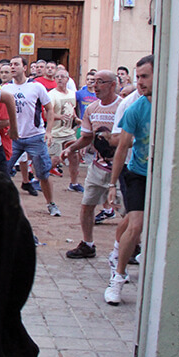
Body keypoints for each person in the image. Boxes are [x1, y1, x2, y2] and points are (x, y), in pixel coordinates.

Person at [104, 55, 154, 305]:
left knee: (132, 221)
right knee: (136, 224)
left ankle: (116, 251)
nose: (139, 82)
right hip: (136, 173)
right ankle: (118, 277)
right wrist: (112, 184)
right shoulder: (135, 108)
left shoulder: (173, 106)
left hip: (162, 175)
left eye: (145, 76)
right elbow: (122, 148)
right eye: (138, 77)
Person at [61, 70, 121, 259]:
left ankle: (133, 245)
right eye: (94, 82)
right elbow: (87, 137)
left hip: (122, 168)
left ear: (113, 84)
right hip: (98, 167)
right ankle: (88, 244)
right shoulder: (92, 109)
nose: (95, 86)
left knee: (128, 211)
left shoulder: (124, 107)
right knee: (87, 205)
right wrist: (71, 149)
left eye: (100, 82)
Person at [3, 56, 61, 216]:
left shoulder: (36, 87)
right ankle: (4, 206)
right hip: (13, 137)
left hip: (35, 136)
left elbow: (49, 109)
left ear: (25, 68)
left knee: (43, 173)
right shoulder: (5, 88)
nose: (13, 67)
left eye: (16, 64)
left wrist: (48, 131)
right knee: (3, 171)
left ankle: (51, 204)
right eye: (11, 64)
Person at [48, 69, 82, 192]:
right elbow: (48, 113)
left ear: (68, 79)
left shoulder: (72, 94)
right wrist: (59, 117)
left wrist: (76, 119)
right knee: (55, 160)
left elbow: (71, 108)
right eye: (57, 77)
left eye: (62, 76)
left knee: (74, 157)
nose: (60, 79)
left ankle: (74, 183)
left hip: (68, 132)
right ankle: (37, 178)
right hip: (56, 132)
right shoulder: (52, 94)